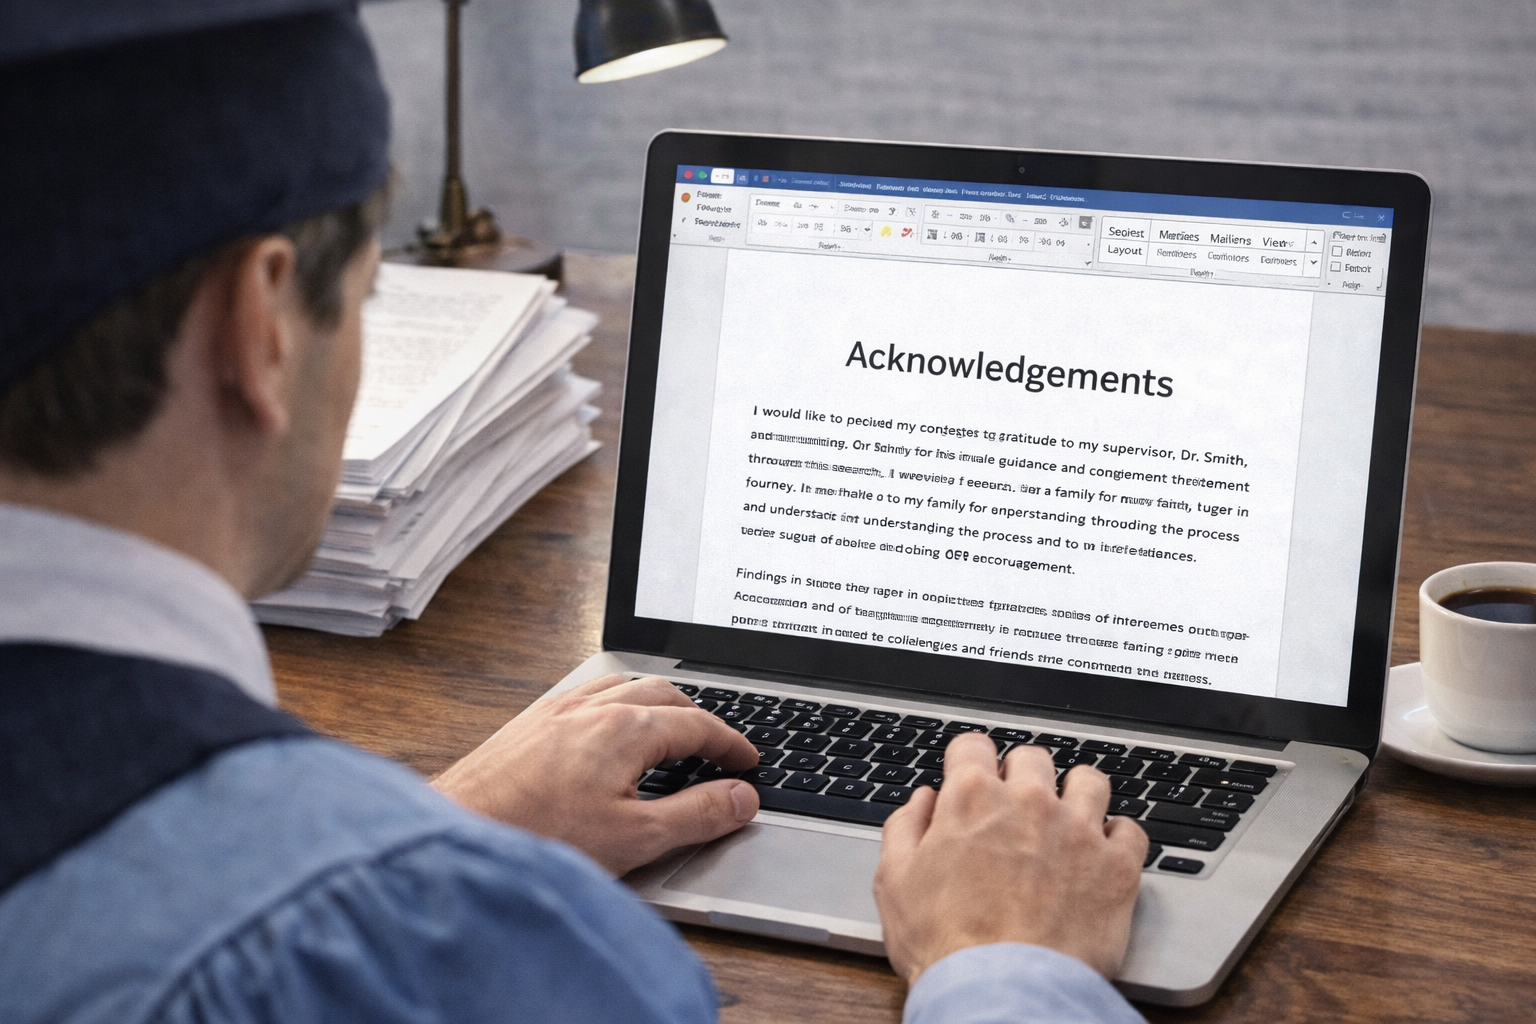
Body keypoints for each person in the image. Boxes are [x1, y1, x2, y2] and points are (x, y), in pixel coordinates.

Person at [0, 4, 1149, 1022]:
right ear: (260, 329)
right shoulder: (469, 961)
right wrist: (1001, 967)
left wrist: (433, 831)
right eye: (365, 292)